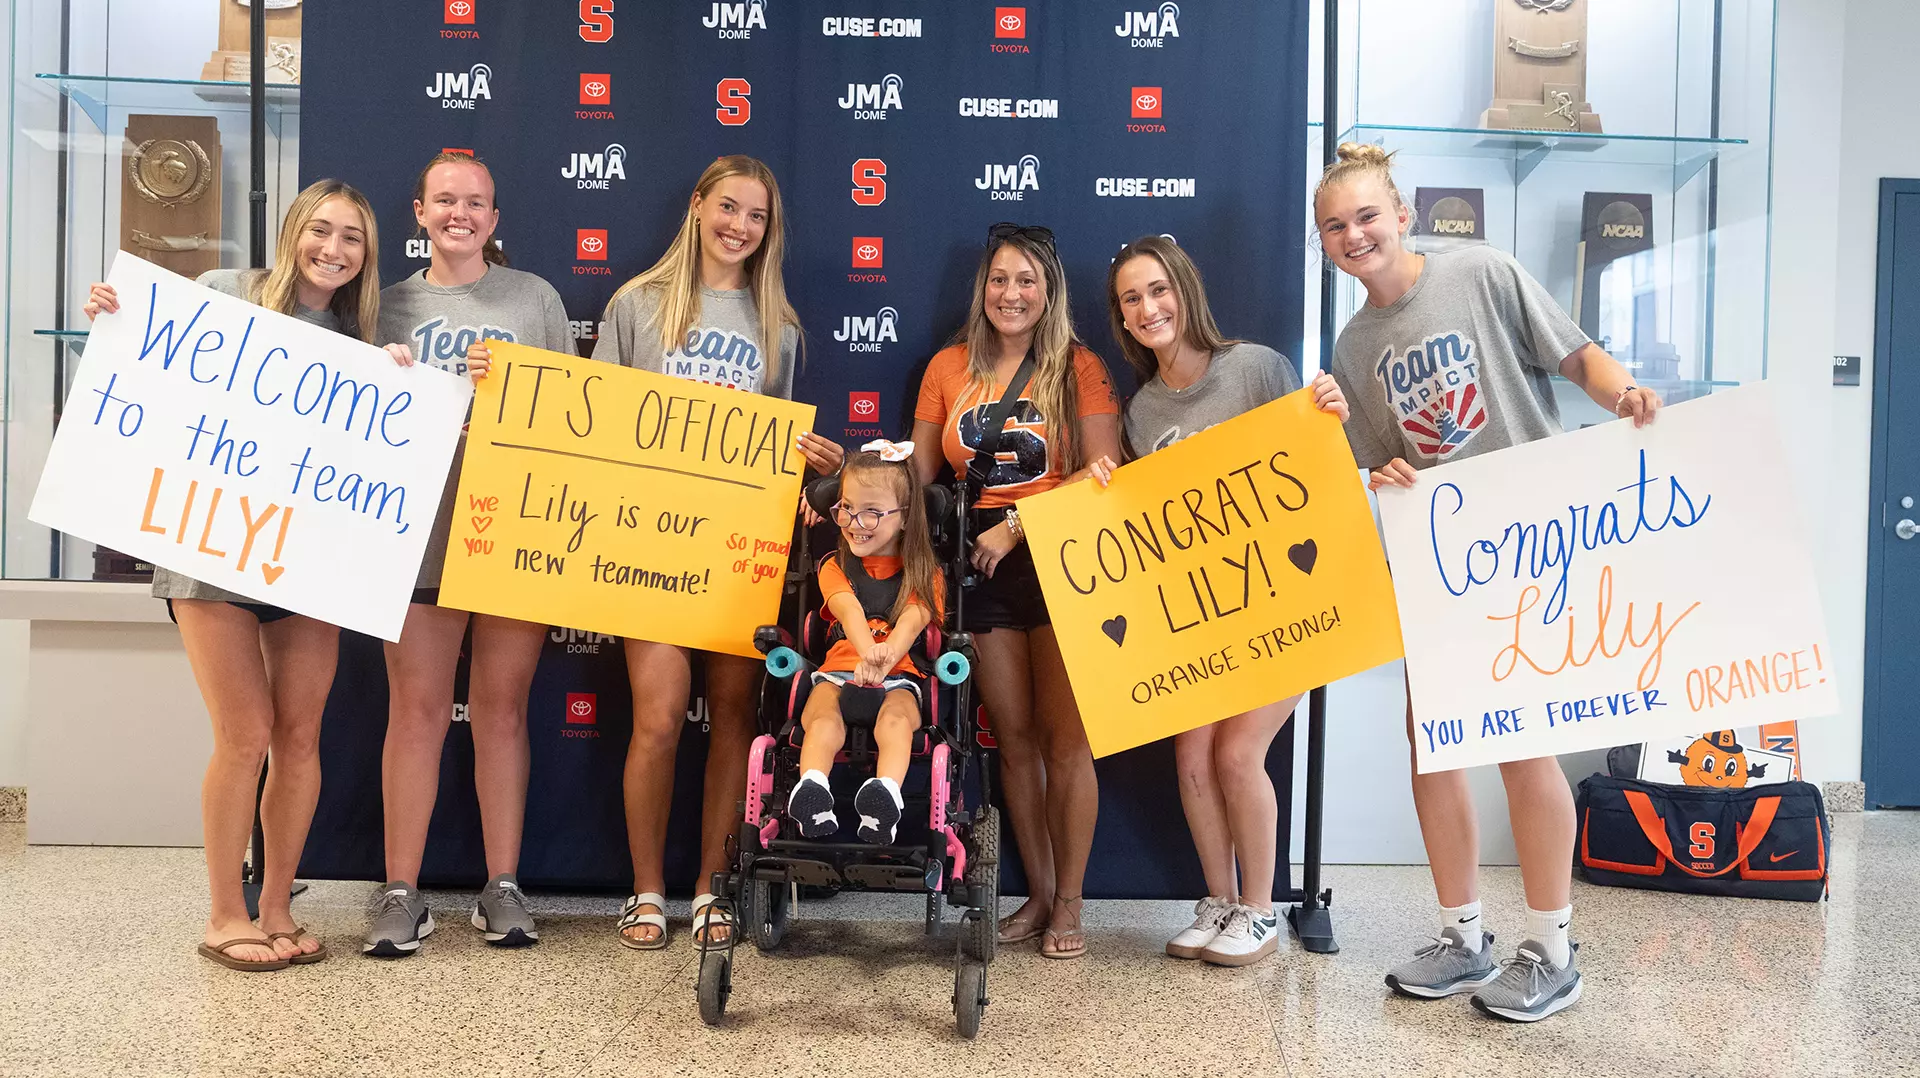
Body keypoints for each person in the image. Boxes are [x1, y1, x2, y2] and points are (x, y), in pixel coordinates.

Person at [1315, 143, 1661, 1021]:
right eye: (1335, 226)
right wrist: (1379, 472)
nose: (1355, 235)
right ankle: (1463, 937)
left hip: (1528, 540)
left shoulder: (1482, 271)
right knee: (1432, 740)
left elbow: (1576, 356)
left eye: (1367, 216)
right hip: (1439, 556)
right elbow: (1380, 462)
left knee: (1520, 738)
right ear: (1323, 243)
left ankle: (1552, 948)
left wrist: (1625, 394)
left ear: (1401, 213)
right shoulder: (1353, 345)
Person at [81, 180, 387, 970]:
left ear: (367, 255)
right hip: (210, 546)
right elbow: (149, 371)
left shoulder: (363, 340)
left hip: (308, 557)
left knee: (299, 737)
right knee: (245, 734)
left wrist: (398, 386)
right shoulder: (226, 292)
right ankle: (225, 913)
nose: (333, 249)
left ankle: (277, 905)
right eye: (321, 230)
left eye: (351, 238)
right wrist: (114, 321)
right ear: (292, 232)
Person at [590, 155, 844, 950]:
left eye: (757, 216)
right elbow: (591, 418)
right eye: (729, 207)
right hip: (649, 544)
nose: (740, 226)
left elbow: (777, 452)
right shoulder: (636, 303)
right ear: (699, 205)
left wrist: (812, 466)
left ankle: (712, 888)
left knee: (734, 719)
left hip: (738, 550)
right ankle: (645, 890)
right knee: (659, 717)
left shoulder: (779, 325)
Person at [1087, 236, 1350, 967]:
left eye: (1158, 290)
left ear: (1185, 290)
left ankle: (1262, 910)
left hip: (1287, 600)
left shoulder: (1256, 367)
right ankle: (1221, 900)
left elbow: (1317, 466)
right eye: (1131, 299)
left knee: (1237, 753)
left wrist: (1332, 413)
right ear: (1122, 318)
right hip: (1204, 614)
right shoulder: (1142, 411)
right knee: (1193, 756)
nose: (1148, 308)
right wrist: (1108, 487)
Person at [365, 152, 574, 957]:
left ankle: (503, 886)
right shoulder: (383, 305)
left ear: (494, 218)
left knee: (502, 711)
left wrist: (514, 382)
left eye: (476, 202)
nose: (461, 213)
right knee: (415, 711)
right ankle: (400, 891)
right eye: (445, 200)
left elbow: (573, 416)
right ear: (419, 211)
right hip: (415, 535)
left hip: (512, 535)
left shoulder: (534, 298)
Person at [910, 222, 1122, 959]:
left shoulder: (1080, 368)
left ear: (1048, 292)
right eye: (999, 279)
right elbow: (917, 479)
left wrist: (1018, 525)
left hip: (1065, 557)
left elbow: (1102, 472)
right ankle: (1037, 891)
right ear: (983, 289)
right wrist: (846, 481)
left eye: (1027, 280)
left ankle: (1070, 902)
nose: (1011, 293)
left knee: (1068, 743)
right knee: (1016, 742)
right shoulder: (947, 367)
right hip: (980, 567)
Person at [786, 441, 945, 846]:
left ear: (905, 516)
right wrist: (867, 653)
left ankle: (883, 798)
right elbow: (848, 610)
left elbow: (912, 622)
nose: (855, 522)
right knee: (822, 719)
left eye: (872, 511)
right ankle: (812, 789)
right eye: (846, 508)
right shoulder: (834, 566)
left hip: (899, 676)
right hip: (838, 672)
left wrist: (884, 660)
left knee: (896, 721)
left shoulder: (926, 574)